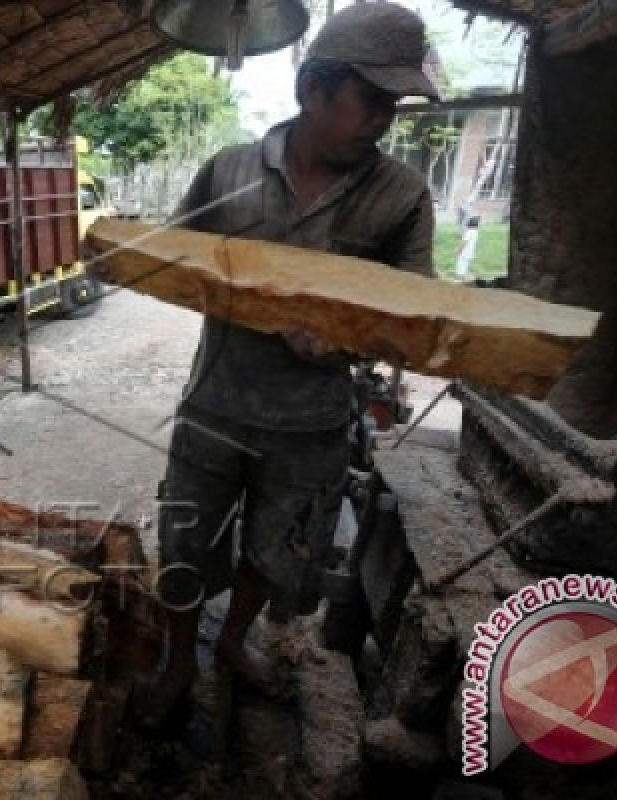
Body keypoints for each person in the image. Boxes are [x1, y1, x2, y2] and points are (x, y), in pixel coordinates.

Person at [140, 2, 439, 729]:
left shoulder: (401, 195)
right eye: (370, 99)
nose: (384, 119)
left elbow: (416, 313)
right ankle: (179, 660)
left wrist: (348, 339)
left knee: (276, 555)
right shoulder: (230, 171)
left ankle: (231, 645)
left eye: (394, 104)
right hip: (214, 406)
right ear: (313, 89)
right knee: (184, 542)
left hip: (311, 428)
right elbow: (174, 261)